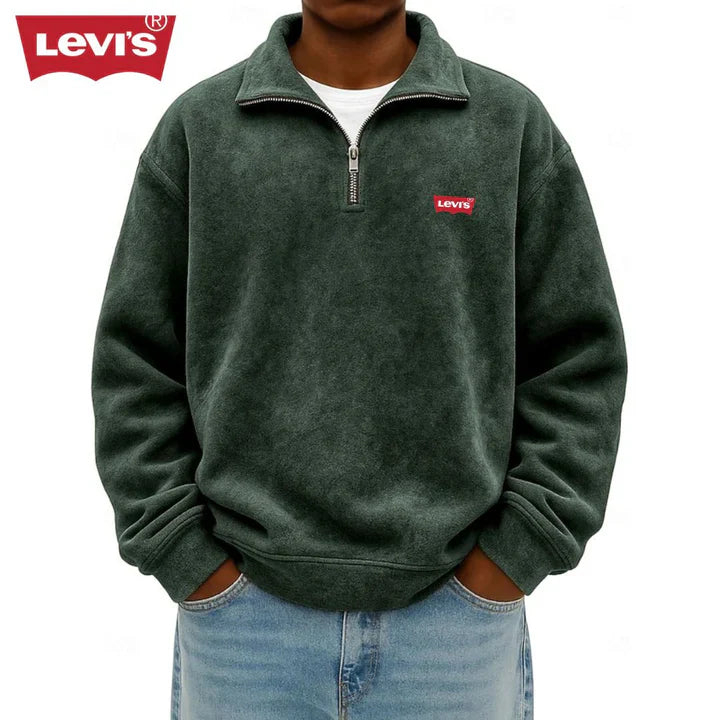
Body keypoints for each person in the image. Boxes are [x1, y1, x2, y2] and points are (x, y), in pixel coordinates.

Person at [91, 2, 628, 718]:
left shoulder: (509, 125)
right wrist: (187, 561)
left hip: (455, 635)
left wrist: (515, 556)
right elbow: (134, 363)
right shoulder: (201, 129)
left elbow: (579, 359)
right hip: (243, 632)